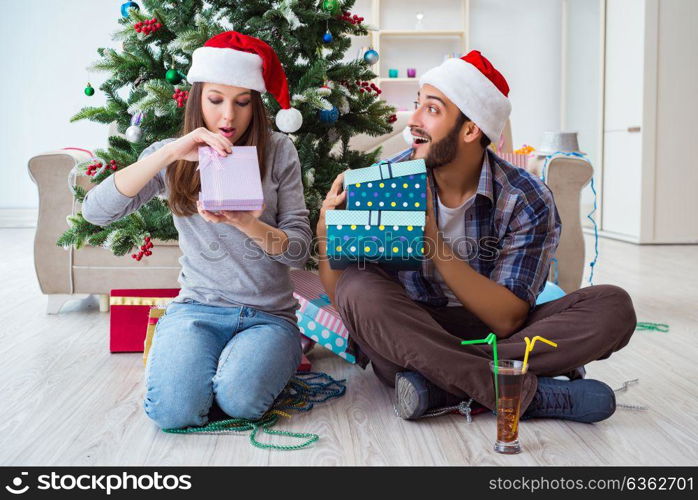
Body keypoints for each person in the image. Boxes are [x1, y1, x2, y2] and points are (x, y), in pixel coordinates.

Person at [317, 51, 637, 423]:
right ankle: (525, 394)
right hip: (413, 325)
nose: (413, 120)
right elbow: (345, 298)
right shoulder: (388, 178)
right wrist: (327, 239)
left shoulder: (525, 198)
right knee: (359, 289)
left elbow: (507, 319)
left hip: (487, 333)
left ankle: (438, 384)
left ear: (471, 130)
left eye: (432, 110)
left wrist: (435, 244)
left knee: (613, 306)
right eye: (417, 105)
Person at [82, 31, 310, 429]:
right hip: (196, 310)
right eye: (216, 100)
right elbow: (96, 212)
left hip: (269, 316)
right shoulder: (174, 154)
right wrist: (169, 153)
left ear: (255, 104)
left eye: (242, 103)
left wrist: (247, 223)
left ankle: (253, 367)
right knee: (173, 413)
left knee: (241, 402)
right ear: (197, 98)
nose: (228, 117)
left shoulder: (278, 150)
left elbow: (298, 252)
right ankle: (214, 373)